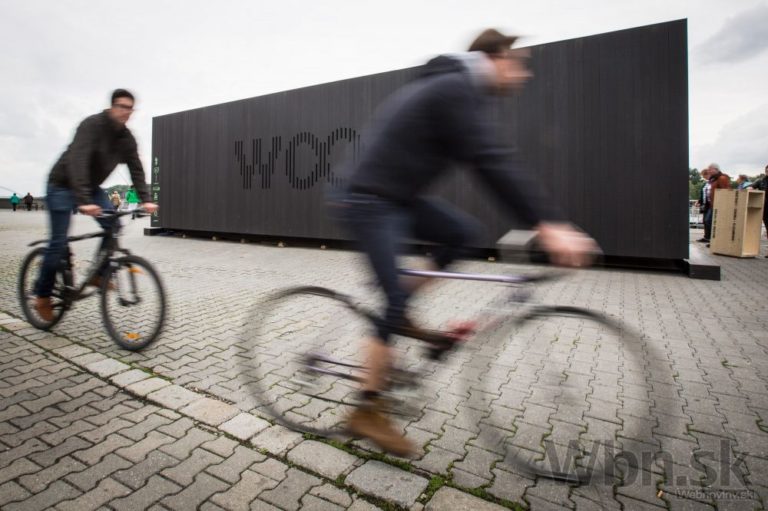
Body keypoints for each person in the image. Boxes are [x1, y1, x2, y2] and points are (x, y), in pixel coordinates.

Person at [330, 29, 599, 456]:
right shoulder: (454, 88)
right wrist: (548, 224)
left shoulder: (462, 91)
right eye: (520, 63)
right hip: (366, 200)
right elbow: (491, 161)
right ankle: (366, 411)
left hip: (398, 198)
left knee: (461, 234)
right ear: (496, 56)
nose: (525, 74)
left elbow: (490, 157)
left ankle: (398, 300)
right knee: (392, 304)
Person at [34, 89, 158, 321]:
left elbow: (136, 169)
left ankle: (98, 275)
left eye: (130, 108)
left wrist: (146, 199)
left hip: (91, 187)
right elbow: (78, 161)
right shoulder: (91, 125)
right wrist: (84, 201)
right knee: (58, 243)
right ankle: (42, 296)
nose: (126, 112)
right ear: (112, 107)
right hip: (62, 184)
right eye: (121, 106)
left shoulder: (126, 139)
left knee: (113, 225)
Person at [703, 163, 731, 246]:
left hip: (719, 205)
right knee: (709, 222)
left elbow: (726, 192)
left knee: (711, 222)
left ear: (716, 169)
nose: (708, 171)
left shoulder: (722, 178)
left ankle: (716, 242)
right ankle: (714, 241)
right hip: (712, 205)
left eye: (710, 169)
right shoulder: (714, 179)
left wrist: (724, 204)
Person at [696, 167, 713, 242]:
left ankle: (710, 238)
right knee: (705, 221)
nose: (704, 177)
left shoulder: (712, 182)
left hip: (711, 204)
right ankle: (706, 237)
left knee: (708, 220)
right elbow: (703, 194)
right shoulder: (706, 183)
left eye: (704, 175)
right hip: (705, 204)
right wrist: (699, 201)